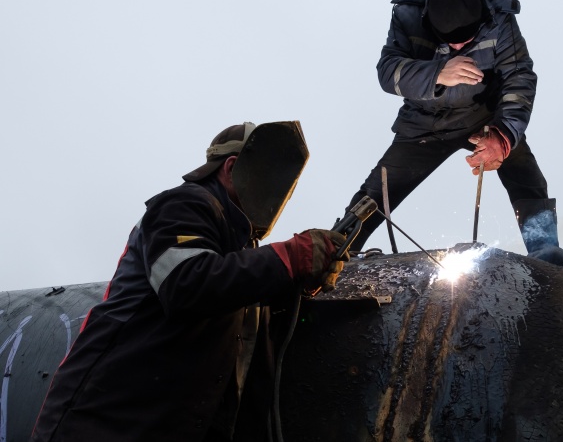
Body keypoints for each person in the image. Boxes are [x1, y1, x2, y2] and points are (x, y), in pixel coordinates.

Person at [31, 122, 348, 442]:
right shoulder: (183, 205)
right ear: (232, 167)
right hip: (105, 423)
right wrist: (288, 259)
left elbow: (239, 298)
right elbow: (186, 284)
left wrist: (297, 283)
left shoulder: (237, 247)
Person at [342, 0, 563, 266]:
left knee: (526, 174)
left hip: (482, 118)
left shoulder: (500, 17)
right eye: (450, 40)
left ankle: (544, 251)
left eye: (466, 39)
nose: (458, 45)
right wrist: (437, 73)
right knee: (377, 191)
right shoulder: (408, 14)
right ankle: (334, 250)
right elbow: (387, 72)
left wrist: (502, 136)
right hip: (423, 124)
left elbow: (520, 76)